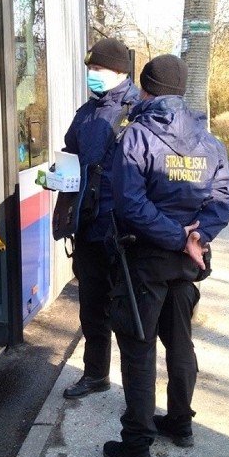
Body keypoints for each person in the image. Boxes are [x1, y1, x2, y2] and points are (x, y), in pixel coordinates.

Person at [103, 54, 229, 457]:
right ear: (180, 91)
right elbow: (225, 195)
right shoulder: (208, 140)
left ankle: (137, 445)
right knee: (180, 342)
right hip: (187, 264)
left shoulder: (137, 137)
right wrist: (198, 237)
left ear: (145, 88)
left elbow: (130, 205)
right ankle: (180, 423)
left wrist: (181, 238)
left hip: (146, 259)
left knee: (139, 348)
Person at [61, 38, 141, 400]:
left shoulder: (138, 111)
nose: (92, 75)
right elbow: (71, 152)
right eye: (90, 69)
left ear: (121, 72)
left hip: (123, 231)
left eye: (99, 70)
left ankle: (136, 393)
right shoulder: (88, 111)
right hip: (89, 225)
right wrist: (59, 177)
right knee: (92, 308)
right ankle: (95, 375)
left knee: (127, 313)